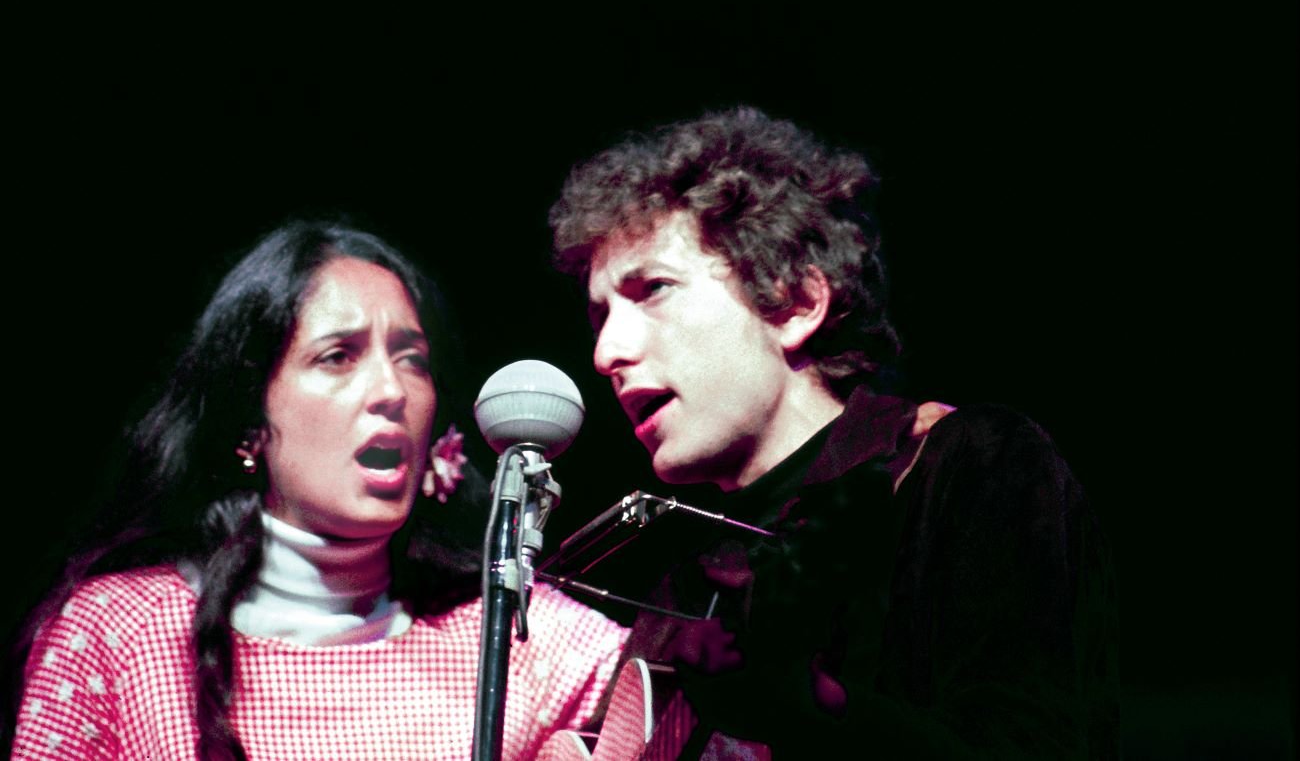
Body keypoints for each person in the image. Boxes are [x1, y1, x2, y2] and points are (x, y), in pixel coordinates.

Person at [549, 107, 1119, 758]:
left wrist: (816, 709)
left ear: (794, 303)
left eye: (651, 289)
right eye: (600, 315)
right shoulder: (682, 588)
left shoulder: (969, 466)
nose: (606, 352)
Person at [5, 221, 628, 760]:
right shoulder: (124, 631)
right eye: (338, 356)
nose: (391, 390)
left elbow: (703, 713)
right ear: (250, 422)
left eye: (411, 358)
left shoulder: (518, 637)